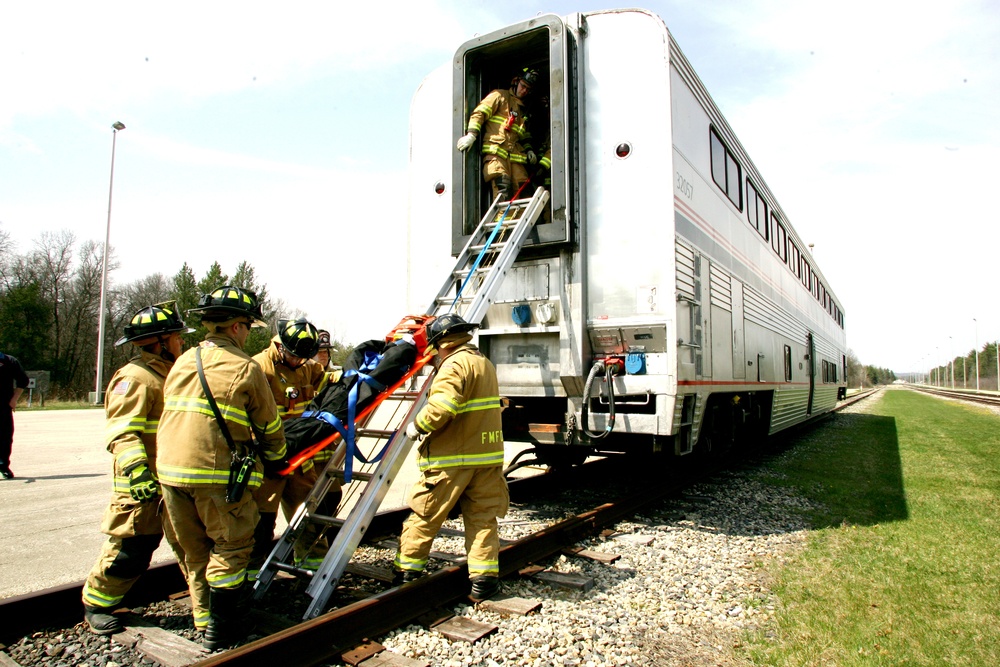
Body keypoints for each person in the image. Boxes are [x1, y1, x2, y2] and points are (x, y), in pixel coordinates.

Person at [156, 285, 287, 650]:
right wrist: (278, 462)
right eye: (248, 326)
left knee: (194, 548)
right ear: (235, 327)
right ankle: (223, 628)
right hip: (214, 474)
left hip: (169, 471)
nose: (249, 333)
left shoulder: (183, 360)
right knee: (231, 546)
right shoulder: (244, 367)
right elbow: (268, 425)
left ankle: (203, 617)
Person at [81, 302, 195, 635]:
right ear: (160, 341)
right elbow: (122, 430)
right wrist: (138, 472)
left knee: (193, 544)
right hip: (141, 482)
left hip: (172, 476)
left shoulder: (168, 373)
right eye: (176, 337)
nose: (181, 343)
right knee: (132, 548)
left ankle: (207, 604)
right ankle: (97, 604)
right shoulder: (135, 378)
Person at [393, 313, 508, 602]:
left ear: (440, 343)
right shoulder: (484, 362)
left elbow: (442, 408)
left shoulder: (453, 364)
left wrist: (416, 426)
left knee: (425, 515)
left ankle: (407, 574)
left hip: (451, 459)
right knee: (483, 519)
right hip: (486, 458)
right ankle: (484, 583)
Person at [248, 318, 330, 578]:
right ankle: (249, 572)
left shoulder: (308, 366)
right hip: (268, 457)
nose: (298, 362)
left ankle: (312, 566)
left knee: (307, 512)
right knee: (260, 519)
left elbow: (326, 380)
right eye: (294, 356)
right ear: (281, 346)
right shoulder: (257, 367)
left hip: (300, 456)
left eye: (303, 358)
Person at [456, 67, 540, 201]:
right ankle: (502, 222)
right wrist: (471, 134)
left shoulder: (523, 110)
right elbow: (480, 113)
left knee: (524, 194)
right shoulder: (499, 96)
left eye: (527, 89)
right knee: (503, 193)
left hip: (516, 158)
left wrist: (529, 150)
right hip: (496, 155)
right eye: (523, 86)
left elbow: (523, 134)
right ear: (516, 82)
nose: (524, 91)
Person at [0, 350, 29, 479]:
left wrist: (14, 399)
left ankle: (3, 465)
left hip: (3, 406)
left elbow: (23, 380)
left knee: (5, 437)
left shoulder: (9, 361)